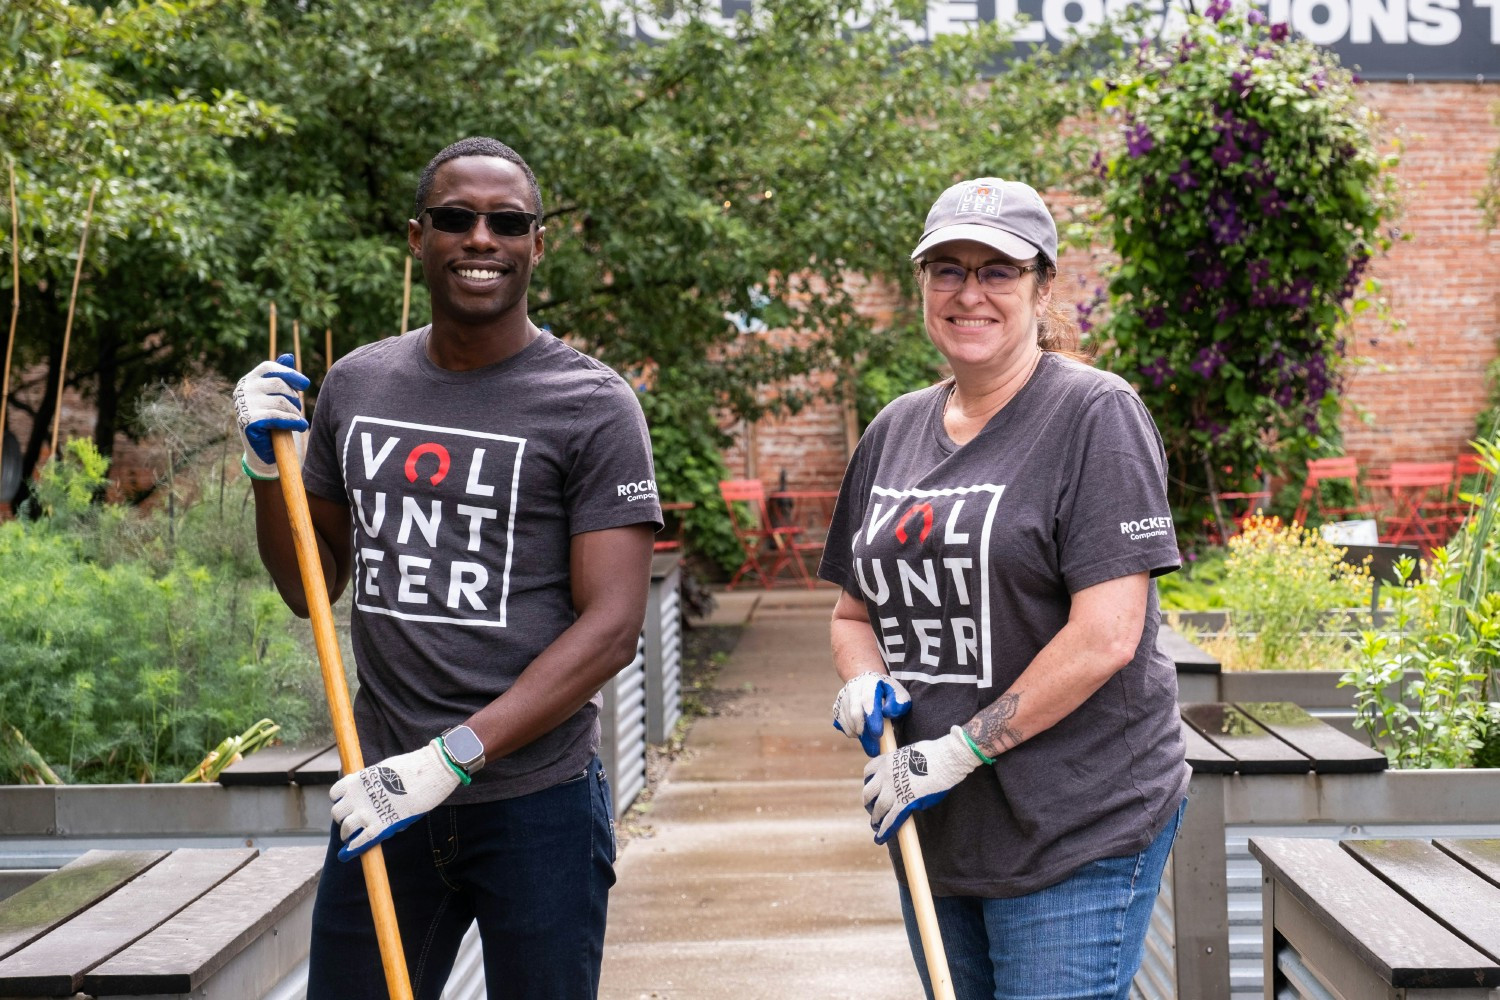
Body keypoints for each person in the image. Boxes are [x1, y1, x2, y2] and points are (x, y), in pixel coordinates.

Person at [232, 136, 662, 999]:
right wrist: (264, 472)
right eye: (456, 218)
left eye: (507, 222)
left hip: (534, 803)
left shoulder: (592, 403)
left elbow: (613, 627)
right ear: (416, 236)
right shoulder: (359, 385)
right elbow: (308, 584)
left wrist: (452, 757)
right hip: (383, 793)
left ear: (538, 244)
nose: (481, 238)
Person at [821, 177, 1188, 1000]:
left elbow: (1107, 635)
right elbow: (852, 612)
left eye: (999, 271)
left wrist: (960, 750)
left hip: (1075, 823)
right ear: (922, 285)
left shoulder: (1095, 414)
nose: (969, 293)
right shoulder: (894, 431)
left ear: (1043, 285)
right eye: (947, 269)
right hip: (938, 827)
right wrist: (862, 676)